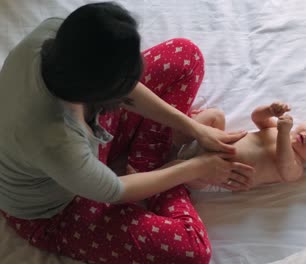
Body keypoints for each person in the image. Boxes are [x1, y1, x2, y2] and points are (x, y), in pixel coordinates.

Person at [0, 2, 255, 264]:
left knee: (185, 56)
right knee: (193, 250)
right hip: (54, 209)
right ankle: (158, 177)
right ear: (101, 92)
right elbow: (114, 190)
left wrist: (194, 128)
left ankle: (145, 161)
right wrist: (195, 168)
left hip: (77, 155)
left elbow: (126, 89)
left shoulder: (55, 35)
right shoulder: (55, 138)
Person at [170, 102, 306, 191]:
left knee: (182, 172)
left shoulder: (295, 168)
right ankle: (174, 139)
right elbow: (257, 118)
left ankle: (155, 171)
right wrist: (270, 111)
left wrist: (282, 133)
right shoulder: (276, 129)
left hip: (211, 175)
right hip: (212, 141)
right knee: (216, 115)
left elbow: (284, 163)